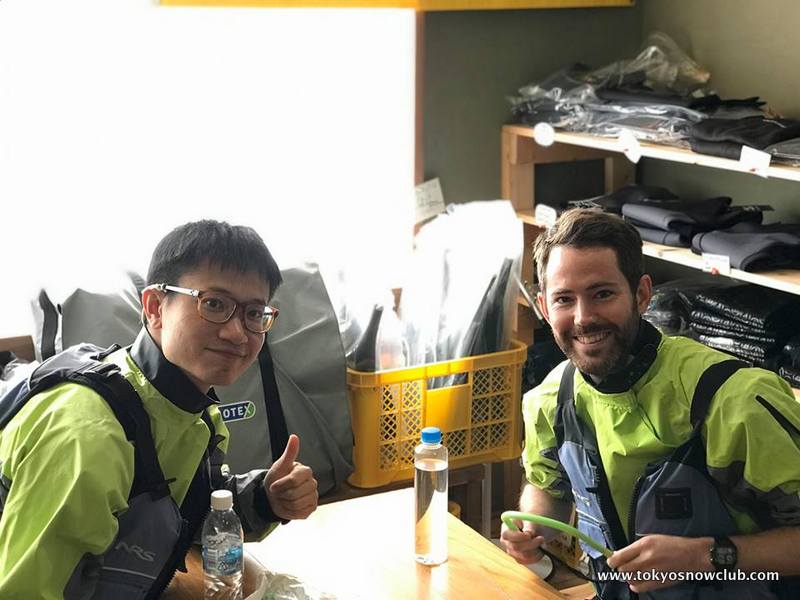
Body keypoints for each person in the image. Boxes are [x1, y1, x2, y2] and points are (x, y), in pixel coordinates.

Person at [0, 220, 319, 598]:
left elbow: (187, 513)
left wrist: (266, 498)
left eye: (253, 313)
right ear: (155, 307)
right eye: (214, 304)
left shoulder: (192, 412)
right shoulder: (90, 437)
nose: (237, 333)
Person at [501, 209, 800, 599]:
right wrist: (533, 527)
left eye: (602, 294)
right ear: (544, 307)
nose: (583, 318)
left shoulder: (733, 400)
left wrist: (704, 556)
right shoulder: (552, 399)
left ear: (642, 295)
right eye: (564, 299)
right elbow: (550, 487)